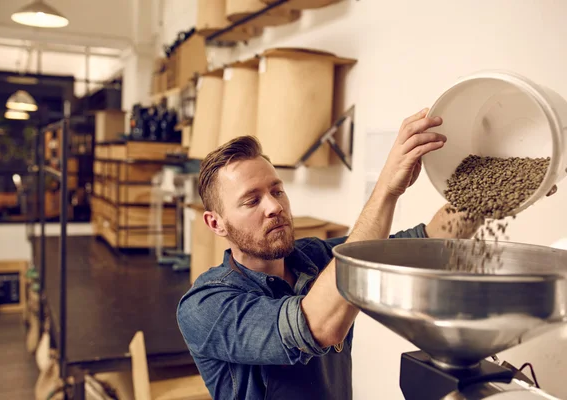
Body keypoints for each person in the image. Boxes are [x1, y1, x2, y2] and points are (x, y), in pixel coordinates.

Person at [176, 108, 482, 399]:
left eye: (276, 190)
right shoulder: (205, 306)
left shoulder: (316, 257)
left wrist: (489, 183)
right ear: (216, 223)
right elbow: (317, 326)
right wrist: (386, 189)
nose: (275, 207)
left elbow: (428, 244)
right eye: (252, 201)